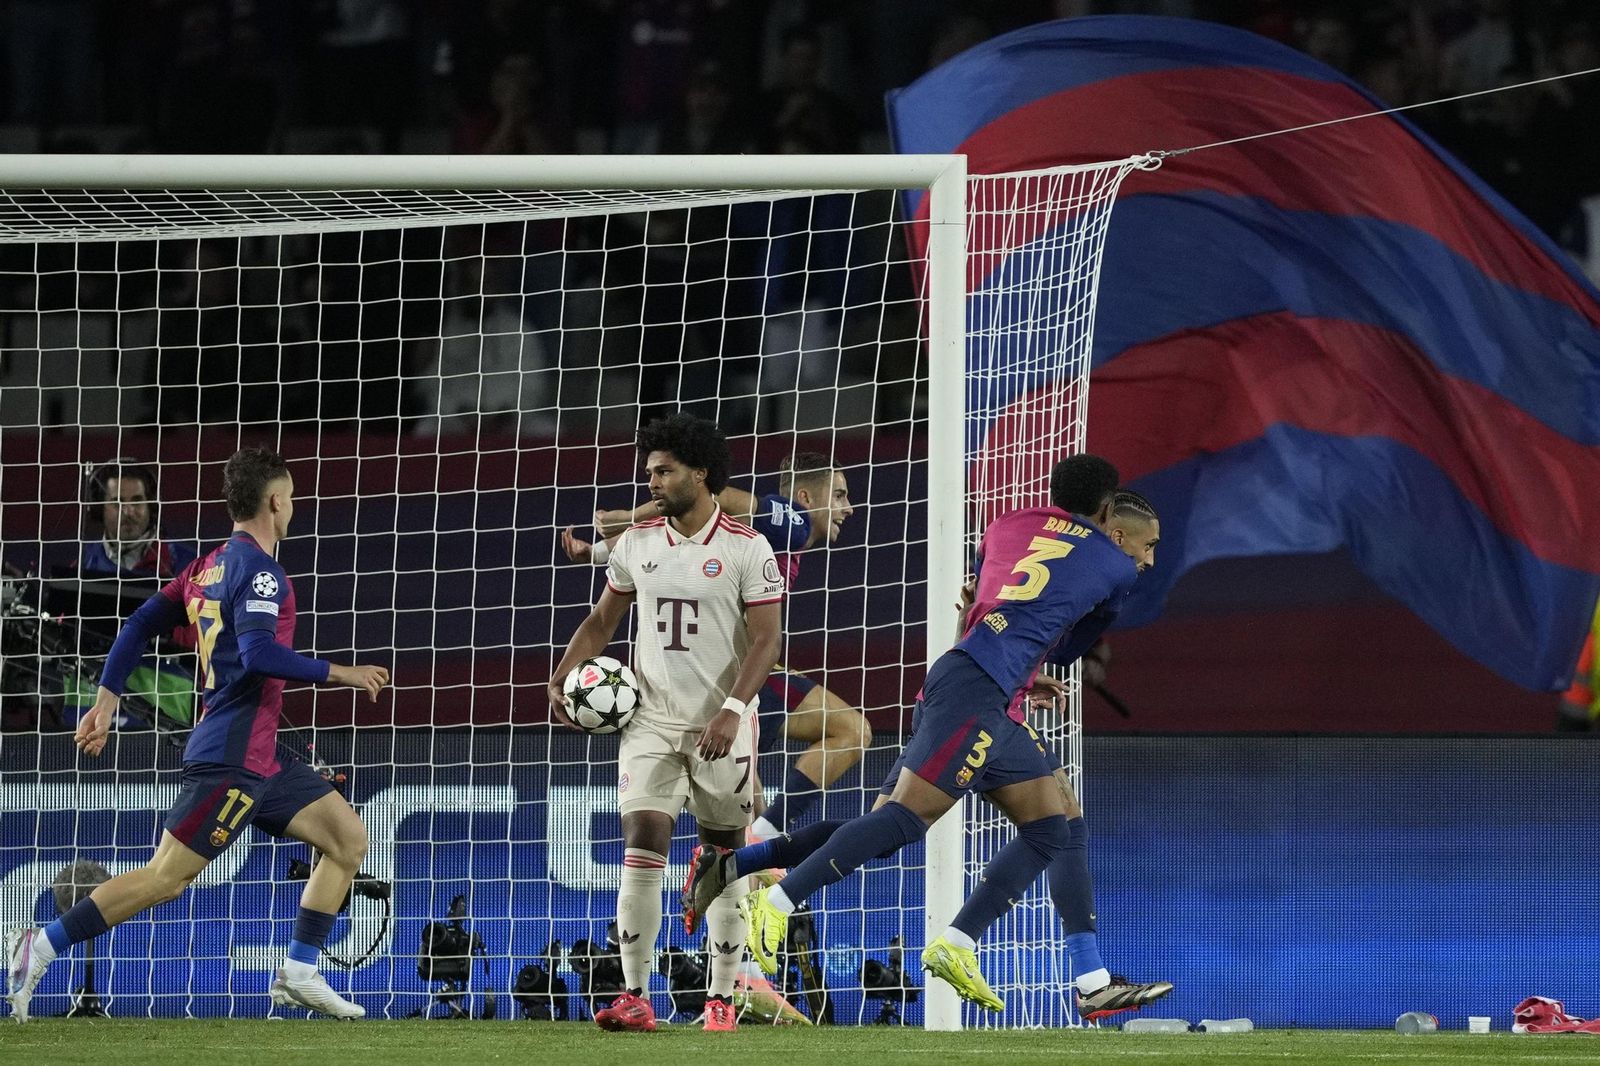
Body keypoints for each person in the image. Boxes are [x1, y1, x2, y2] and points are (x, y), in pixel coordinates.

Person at [687, 458, 1173, 1020]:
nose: (1149, 558)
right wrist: (1033, 655)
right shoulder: (1115, 567)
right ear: (1111, 519)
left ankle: (1056, 971)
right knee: (899, 823)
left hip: (977, 685)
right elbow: (1066, 647)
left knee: (1054, 824)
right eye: (1149, 545)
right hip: (979, 693)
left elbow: (981, 600)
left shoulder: (1006, 525)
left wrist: (1013, 647)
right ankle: (777, 899)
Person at [5, 447, 391, 1023]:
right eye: (290, 497)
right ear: (276, 500)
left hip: (261, 755)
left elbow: (140, 622)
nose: (293, 507)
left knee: (347, 839)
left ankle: (300, 973)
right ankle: (38, 945)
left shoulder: (203, 567)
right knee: (165, 878)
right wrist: (343, 672)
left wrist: (107, 698)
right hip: (233, 756)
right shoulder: (261, 570)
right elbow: (260, 654)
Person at [547, 413, 784, 1034]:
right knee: (642, 847)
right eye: (649, 470)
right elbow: (602, 622)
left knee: (723, 858)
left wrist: (733, 711)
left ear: (700, 472)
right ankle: (635, 996)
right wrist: (563, 676)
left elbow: (767, 640)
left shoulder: (746, 547)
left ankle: (721, 1000)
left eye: (664, 470)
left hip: (722, 726)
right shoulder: (638, 542)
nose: (651, 480)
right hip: (650, 720)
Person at [566, 451, 868, 841]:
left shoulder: (767, 537)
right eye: (840, 495)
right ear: (807, 499)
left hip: (735, 675)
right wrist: (628, 517)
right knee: (851, 730)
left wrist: (597, 552)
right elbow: (716, 495)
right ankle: (761, 850)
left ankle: (756, 859)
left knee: (747, 794)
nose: (849, 507)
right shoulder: (793, 522)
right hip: (732, 678)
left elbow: (682, 520)